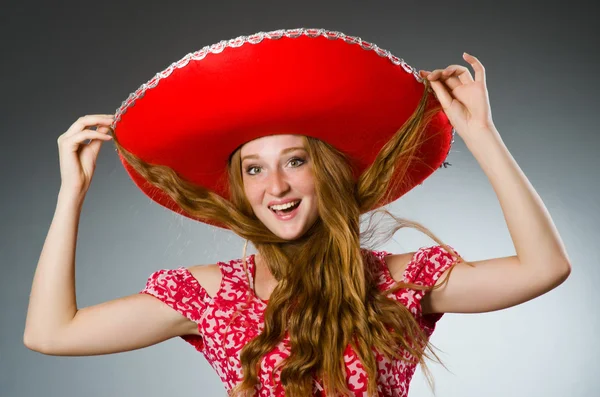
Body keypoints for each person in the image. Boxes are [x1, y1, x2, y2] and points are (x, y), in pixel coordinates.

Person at [24, 28, 572, 397]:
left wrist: (482, 135)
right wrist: (70, 195)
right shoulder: (210, 298)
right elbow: (52, 333)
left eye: (295, 160)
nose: (277, 186)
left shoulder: (399, 282)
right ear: (240, 188)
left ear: (327, 172)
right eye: (254, 169)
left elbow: (543, 268)